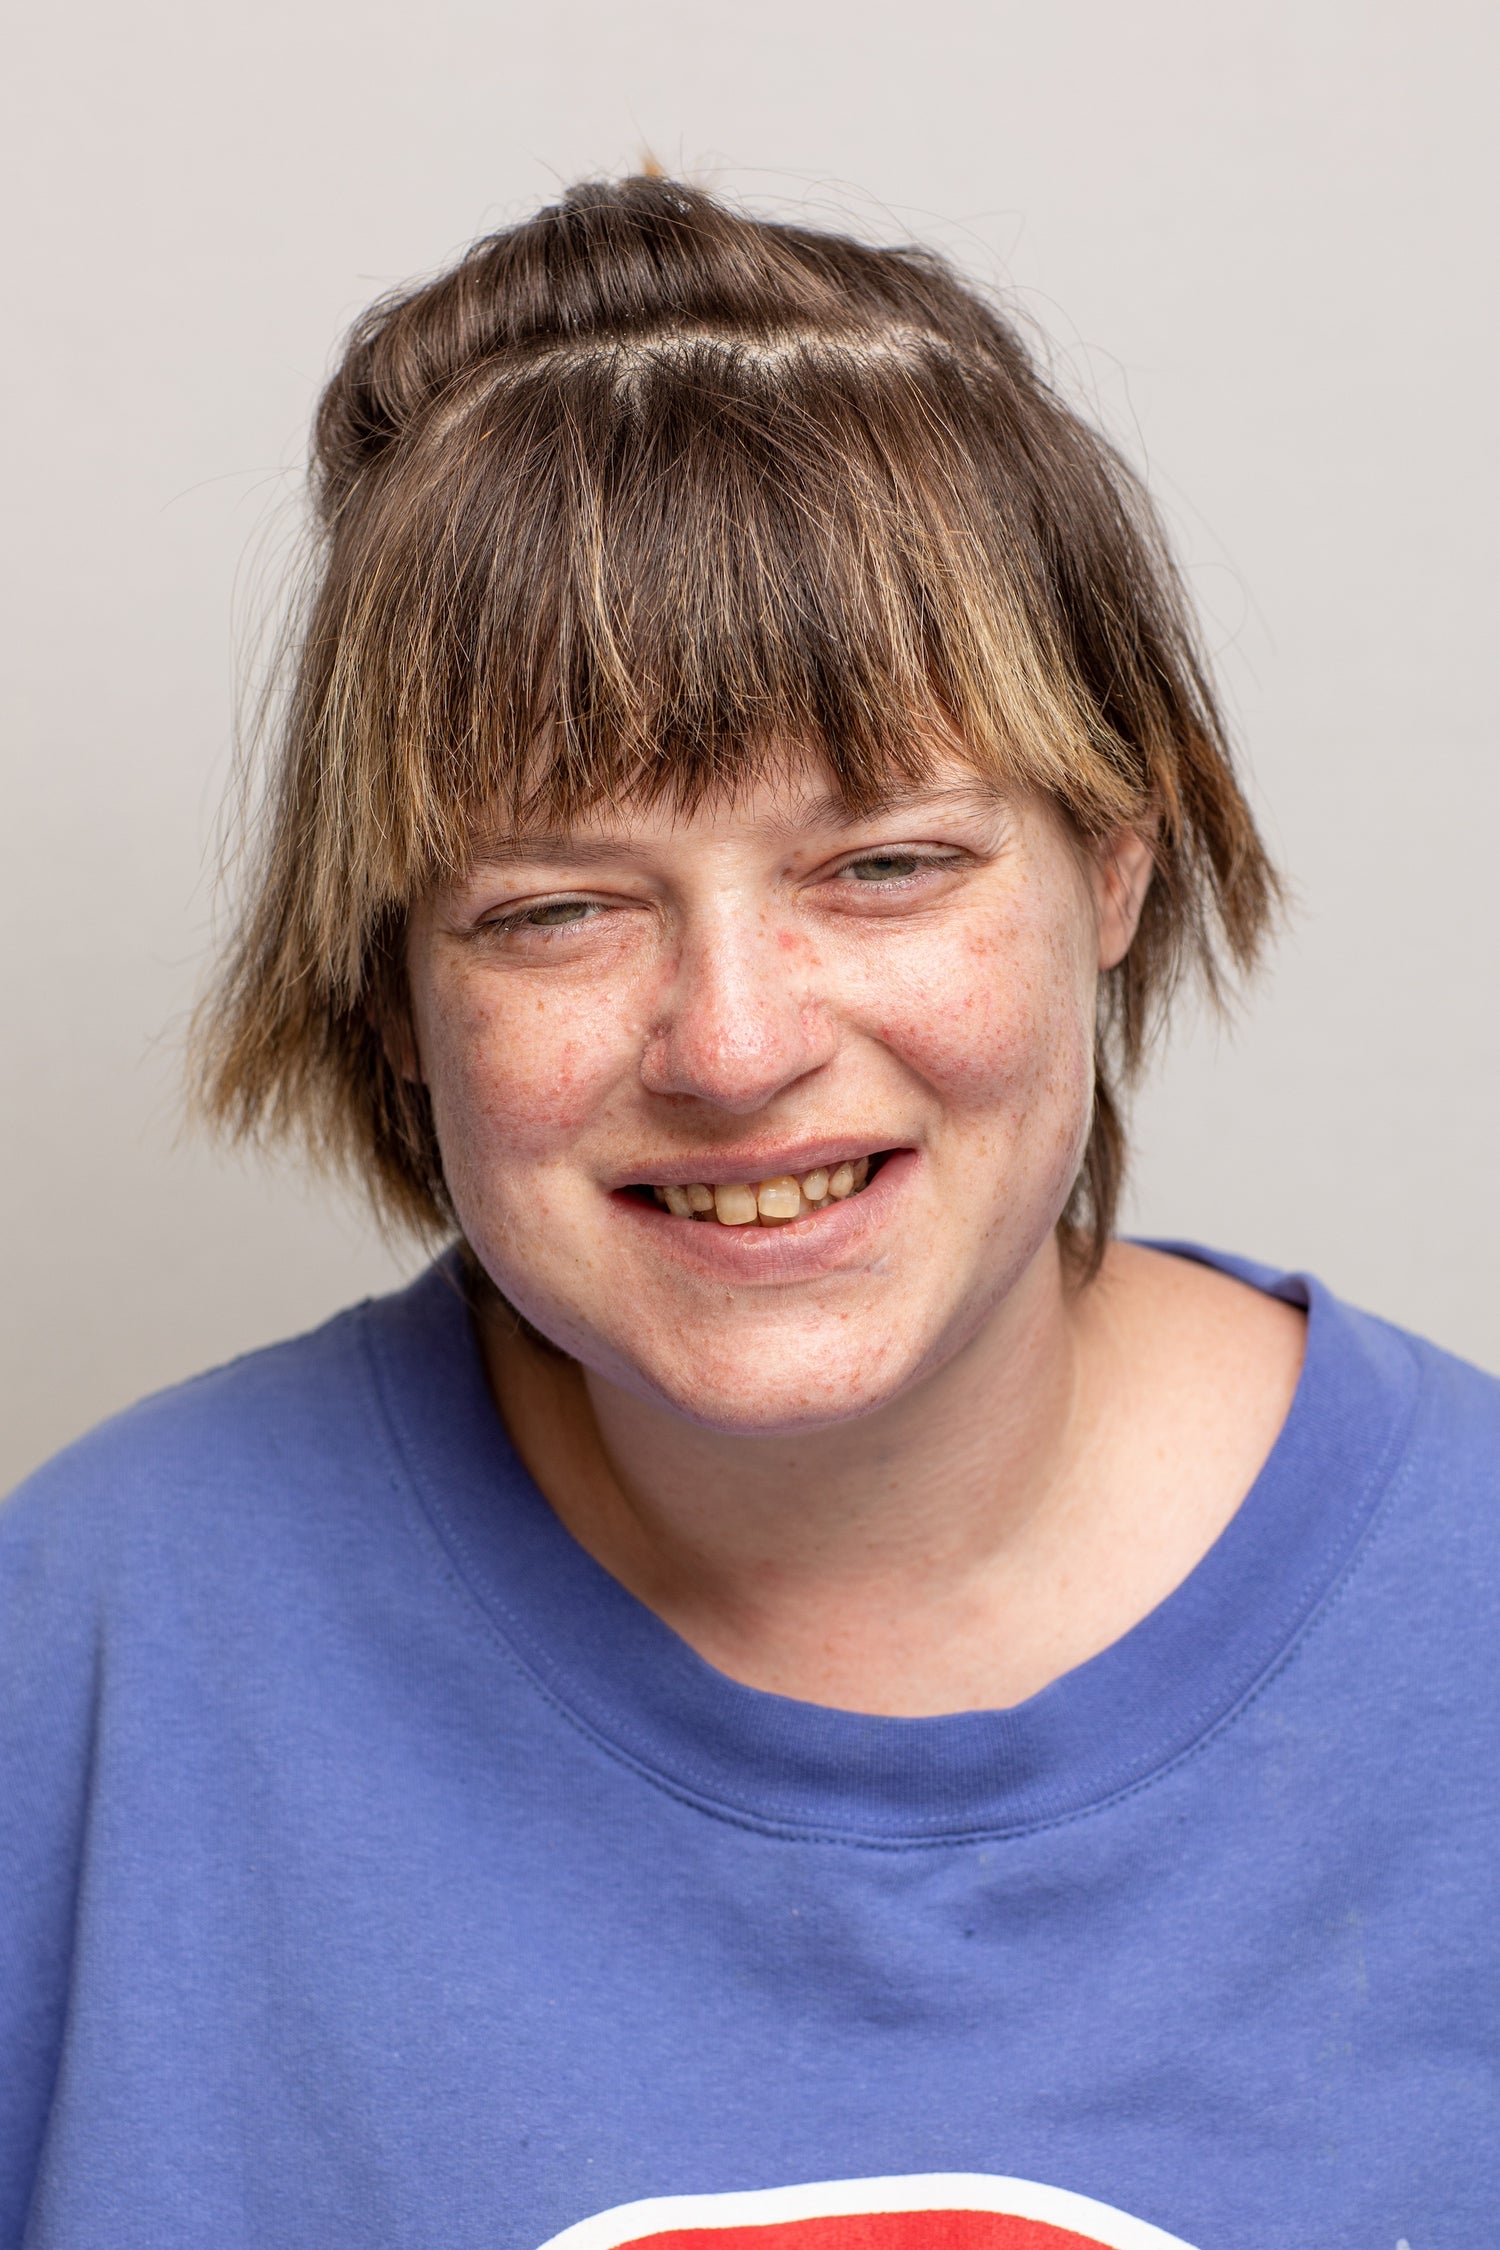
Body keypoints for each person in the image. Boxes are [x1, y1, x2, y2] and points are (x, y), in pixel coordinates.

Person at [1, 175, 1494, 2250]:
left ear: (1121, 862)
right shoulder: (77, 1656)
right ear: (393, 986)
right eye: (553, 907)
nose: (729, 1042)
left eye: (883, 864)